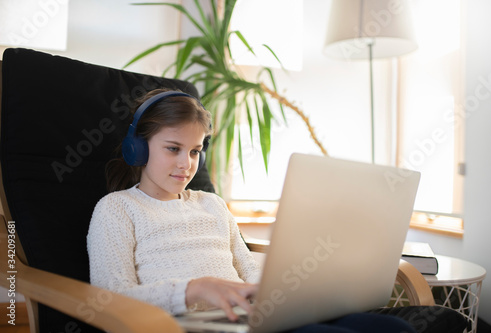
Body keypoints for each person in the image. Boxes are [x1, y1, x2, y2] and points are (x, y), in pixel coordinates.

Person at [87, 88, 417, 333]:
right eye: (173, 149)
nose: (186, 164)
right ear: (138, 148)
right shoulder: (117, 209)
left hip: (252, 319)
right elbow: (109, 297)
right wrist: (195, 288)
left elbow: (248, 269)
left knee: (397, 330)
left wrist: (284, 290)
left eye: (195, 151)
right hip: (187, 326)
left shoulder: (211, 204)